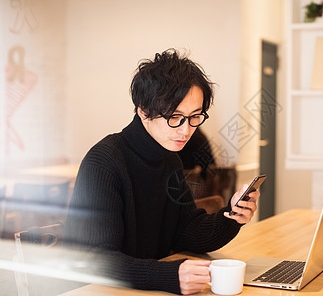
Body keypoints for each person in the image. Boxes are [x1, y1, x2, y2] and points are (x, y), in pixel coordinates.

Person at [64, 49, 260, 295]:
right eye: (175, 117)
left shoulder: (169, 160)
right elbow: (96, 260)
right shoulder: (104, 163)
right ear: (143, 110)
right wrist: (168, 274)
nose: (186, 130)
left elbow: (187, 232)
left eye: (195, 116)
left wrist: (231, 216)